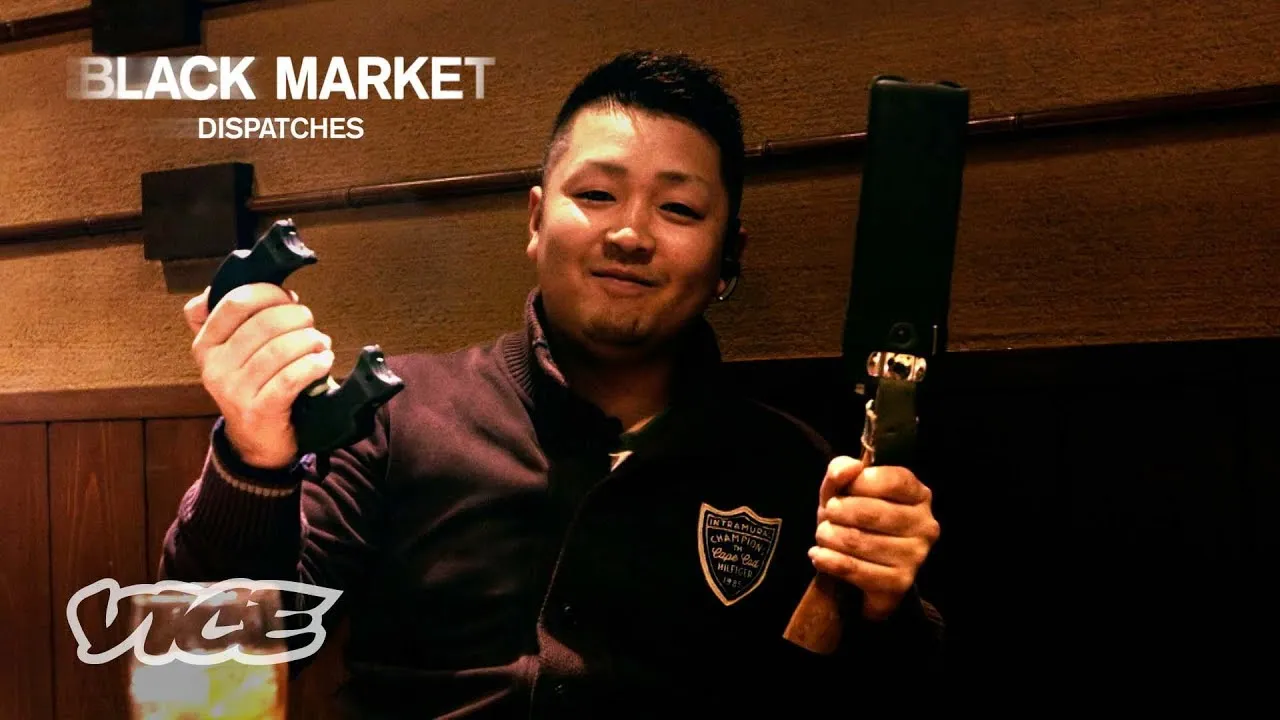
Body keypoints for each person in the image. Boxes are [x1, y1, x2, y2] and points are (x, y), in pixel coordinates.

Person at [163, 50, 944, 717]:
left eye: (678, 208)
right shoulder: (399, 416)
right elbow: (213, 665)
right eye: (596, 194)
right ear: (536, 220)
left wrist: (889, 606)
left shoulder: (790, 466)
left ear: (727, 258)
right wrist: (251, 458)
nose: (630, 234)